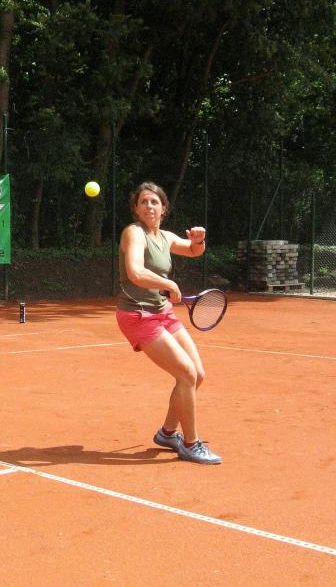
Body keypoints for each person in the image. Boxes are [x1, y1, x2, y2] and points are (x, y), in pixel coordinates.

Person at [116, 181, 222, 465]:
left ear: (164, 208)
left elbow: (193, 251)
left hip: (163, 312)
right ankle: (191, 444)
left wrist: (198, 240)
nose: (149, 206)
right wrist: (168, 283)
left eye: (154, 202)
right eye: (143, 202)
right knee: (186, 373)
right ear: (136, 209)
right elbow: (135, 271)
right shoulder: (133, 233)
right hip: (137, 315)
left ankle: (167, 433)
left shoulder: (165, 236)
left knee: (197, 374)